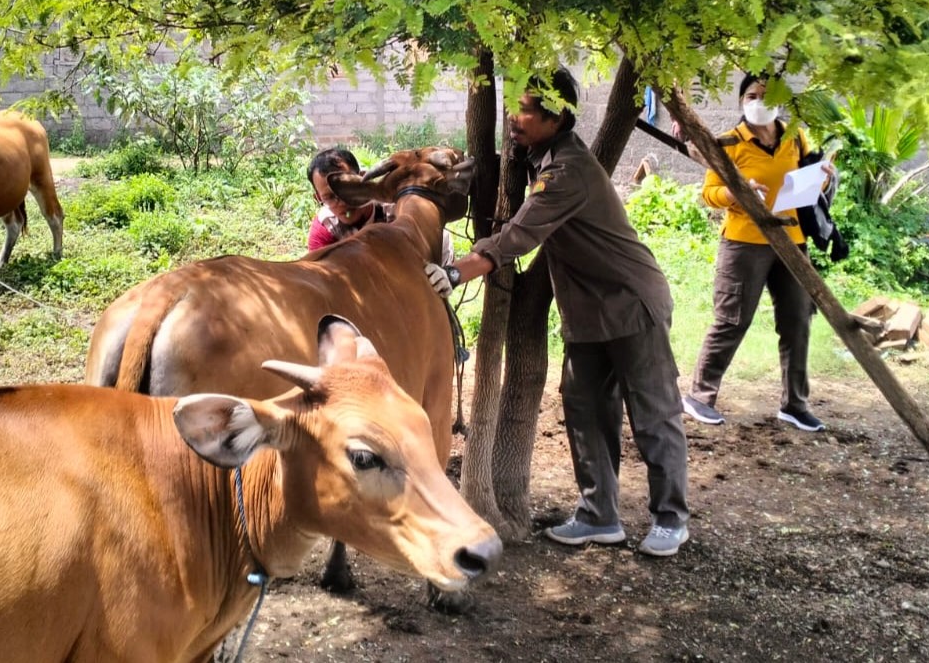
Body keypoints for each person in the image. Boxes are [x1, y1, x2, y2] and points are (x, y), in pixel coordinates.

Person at [425, 68, 690, 557]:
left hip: (630, 303)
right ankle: (599, 516)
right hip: (586, 311)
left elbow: (516, 237)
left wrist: (456, 272)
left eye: (526, 109)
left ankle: (671, 519)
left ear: (558, 117)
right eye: (513, 105)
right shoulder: (536, 157)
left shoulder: (568, 170)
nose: (513, 116)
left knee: (653, 412)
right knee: (586, 411)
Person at [680, 73, 832, 433]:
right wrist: (736, 192)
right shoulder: (727, 143)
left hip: (791, 240)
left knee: (797, 321)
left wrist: (823, 176)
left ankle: (795, 405)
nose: (761, 101)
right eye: (753, 95)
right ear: (741, 101)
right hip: (744, 243)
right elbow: (709, 194)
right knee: (732, 319)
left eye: (768, 95)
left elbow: (811, 181)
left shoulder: (796, 136)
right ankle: (700, 396)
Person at [305, 147, 454, 263]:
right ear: (318, 198)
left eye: (348, 188)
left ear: (362, 179)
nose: (343, 201)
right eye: (330, 197)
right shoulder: (325, 228)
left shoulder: (397, 208)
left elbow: (432, 243)